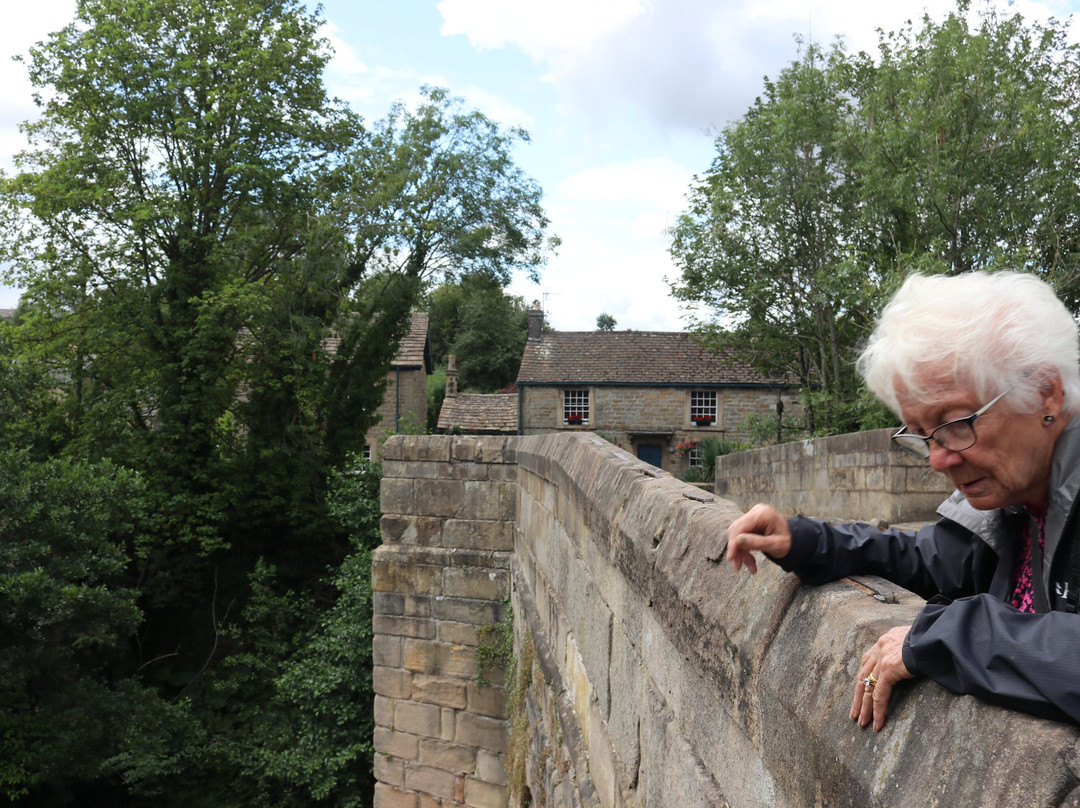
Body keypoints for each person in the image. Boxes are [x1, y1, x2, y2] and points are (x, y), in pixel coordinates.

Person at [727, 270, 1080, 730]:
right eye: (921, 436)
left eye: (956, 423)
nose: (937, 459)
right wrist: (803, 540)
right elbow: (926, 560)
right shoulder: (1017, 501)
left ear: (1045, 393)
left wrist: (950, 634)